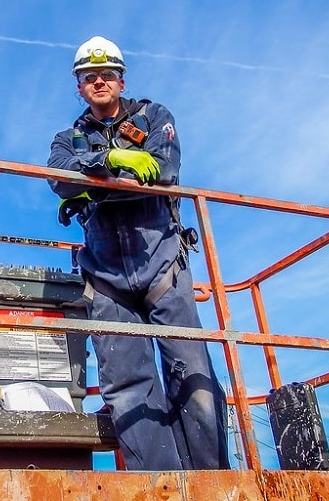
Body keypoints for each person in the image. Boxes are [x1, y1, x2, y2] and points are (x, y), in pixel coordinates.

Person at [47, 36, 229, 470]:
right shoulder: (66, 138)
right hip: (107, 279)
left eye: (107, 74)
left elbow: (163, 169)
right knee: (128, 388)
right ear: (79, 86)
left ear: (121, 79)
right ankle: (161, 487)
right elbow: (58, 176)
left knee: (195, 378)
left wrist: (90, 182)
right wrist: (110, 163)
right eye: (89, 77)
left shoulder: (154, 116)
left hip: (162, 265)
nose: (98, 81)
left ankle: (216, 485)